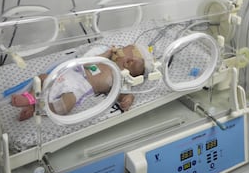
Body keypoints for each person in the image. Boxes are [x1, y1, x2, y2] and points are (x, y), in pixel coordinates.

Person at [11, 44, 151, 121]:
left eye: (122, 50)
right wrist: (107, 54)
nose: (119, 50)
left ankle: (37, 108)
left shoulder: (116, 77)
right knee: (42, 78)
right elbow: (88, 61)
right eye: (122, 49)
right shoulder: (105, 60)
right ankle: (29, 98)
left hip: (79, 88)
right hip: (69, 73)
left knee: (67, 105)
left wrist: (128, 97)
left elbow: (117, 93)